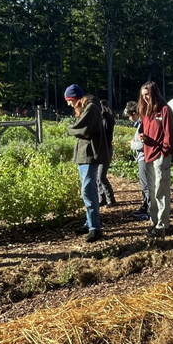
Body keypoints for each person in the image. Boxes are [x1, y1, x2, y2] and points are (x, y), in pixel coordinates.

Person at [65, 85, 108, 242]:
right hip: (84, 155)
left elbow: (81, 129)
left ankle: (95, 228)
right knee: (89, 190)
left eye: (70, 100)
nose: (69, 104)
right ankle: (90, 222)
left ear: (76, 98)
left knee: (87, 191)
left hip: (90, 155)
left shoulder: (91, 108)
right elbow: (83, 131)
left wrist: (71, 128)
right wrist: (79, 131)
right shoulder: (87, 108)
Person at [137, 81, 173, 237]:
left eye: (148, 95)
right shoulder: (145, 111)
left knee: (161, 190)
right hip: (148, 152)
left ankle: (162, 224)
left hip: (161, 155)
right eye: (143, 96)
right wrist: (143, 137)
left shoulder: (165, 110)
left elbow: (169, 134)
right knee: (152, 190)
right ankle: (155, 220)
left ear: (155, 93)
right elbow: (146, 130)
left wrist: (164, 151)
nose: (146, 98)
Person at [125, 101, 150, 220]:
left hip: (144, 158)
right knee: (144, 185)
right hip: (142, 158)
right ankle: (145, 206)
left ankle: (149, 211)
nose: (130, 119)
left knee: (146, 185)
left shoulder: (143, 124)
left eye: (130, 116)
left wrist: (132, 144)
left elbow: (142, 145)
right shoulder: (141, 123)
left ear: (135, 113)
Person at [97, 99, 116, 207]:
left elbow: (107, 117)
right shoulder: (100, 120)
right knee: (97, 176)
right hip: (99, 149)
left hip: (107, 150)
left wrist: (103, 109)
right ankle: (102, 198)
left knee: (101, 176)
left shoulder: (110, 119)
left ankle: (111, 199)